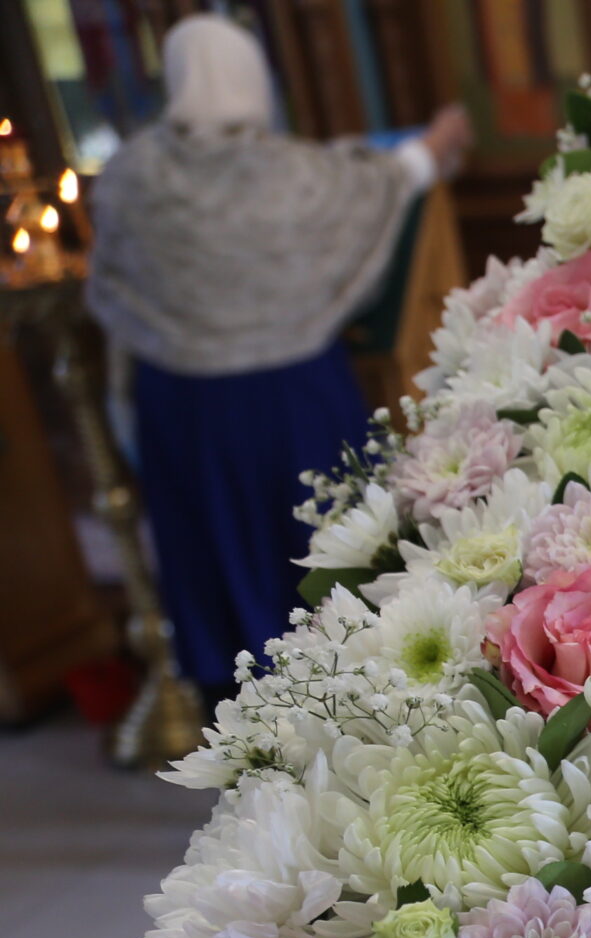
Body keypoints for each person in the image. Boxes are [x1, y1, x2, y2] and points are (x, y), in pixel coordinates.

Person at [85, 14, 471, 699]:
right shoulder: (300, 178)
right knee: (332, 569)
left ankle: (240, 727)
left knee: (217, 564)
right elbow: (389, 179)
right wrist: (438, 141)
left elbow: (111, 280)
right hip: (295, 402)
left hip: (184, 409)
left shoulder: (130, 177)